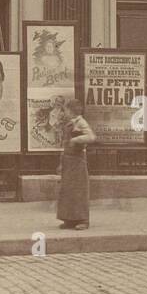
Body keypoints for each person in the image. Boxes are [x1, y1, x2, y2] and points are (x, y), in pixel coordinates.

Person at [57, 98, 95, 230]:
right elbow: (65, 145)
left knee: (79, 190)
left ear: (72, 111)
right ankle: (69, 219)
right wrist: (61, 162)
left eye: (66, 110)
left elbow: (91, 137)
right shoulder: (69, 123)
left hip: (78, 160)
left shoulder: (81, 122)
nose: (64, 112)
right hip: (68, 160)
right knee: (67, 190)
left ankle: (83, 220)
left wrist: (76, 139)